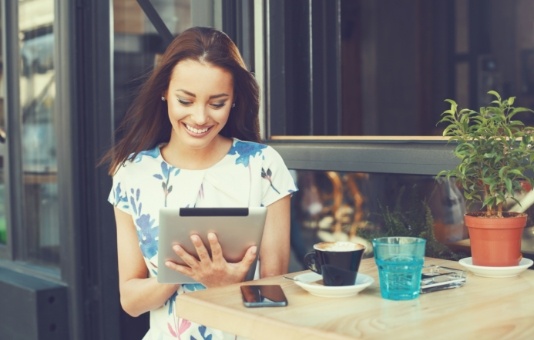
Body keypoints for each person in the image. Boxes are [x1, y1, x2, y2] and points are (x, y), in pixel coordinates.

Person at [103, 26, 297, 339]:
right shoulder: (132, 173)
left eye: (217, 103)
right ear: (165, 91)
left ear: (234, 100)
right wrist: (180, 272)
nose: (200, 117)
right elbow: (131, 301)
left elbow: (275, 296)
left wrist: (226, 286)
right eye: (186, 100)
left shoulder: (263, 165)